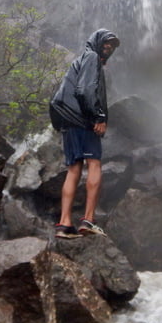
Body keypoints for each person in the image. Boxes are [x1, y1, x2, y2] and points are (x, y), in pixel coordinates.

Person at [49, 28, 120, 238]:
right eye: (106, 43)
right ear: (96, 42)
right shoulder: (91, 58)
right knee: (95, 164)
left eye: (113, 45)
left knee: (74, 169)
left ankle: (64, 224)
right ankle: (88, 220)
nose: (109, 47)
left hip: (69, 122)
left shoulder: (83, 59)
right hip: (83, 121)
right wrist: (99, 117)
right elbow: (85, 90)